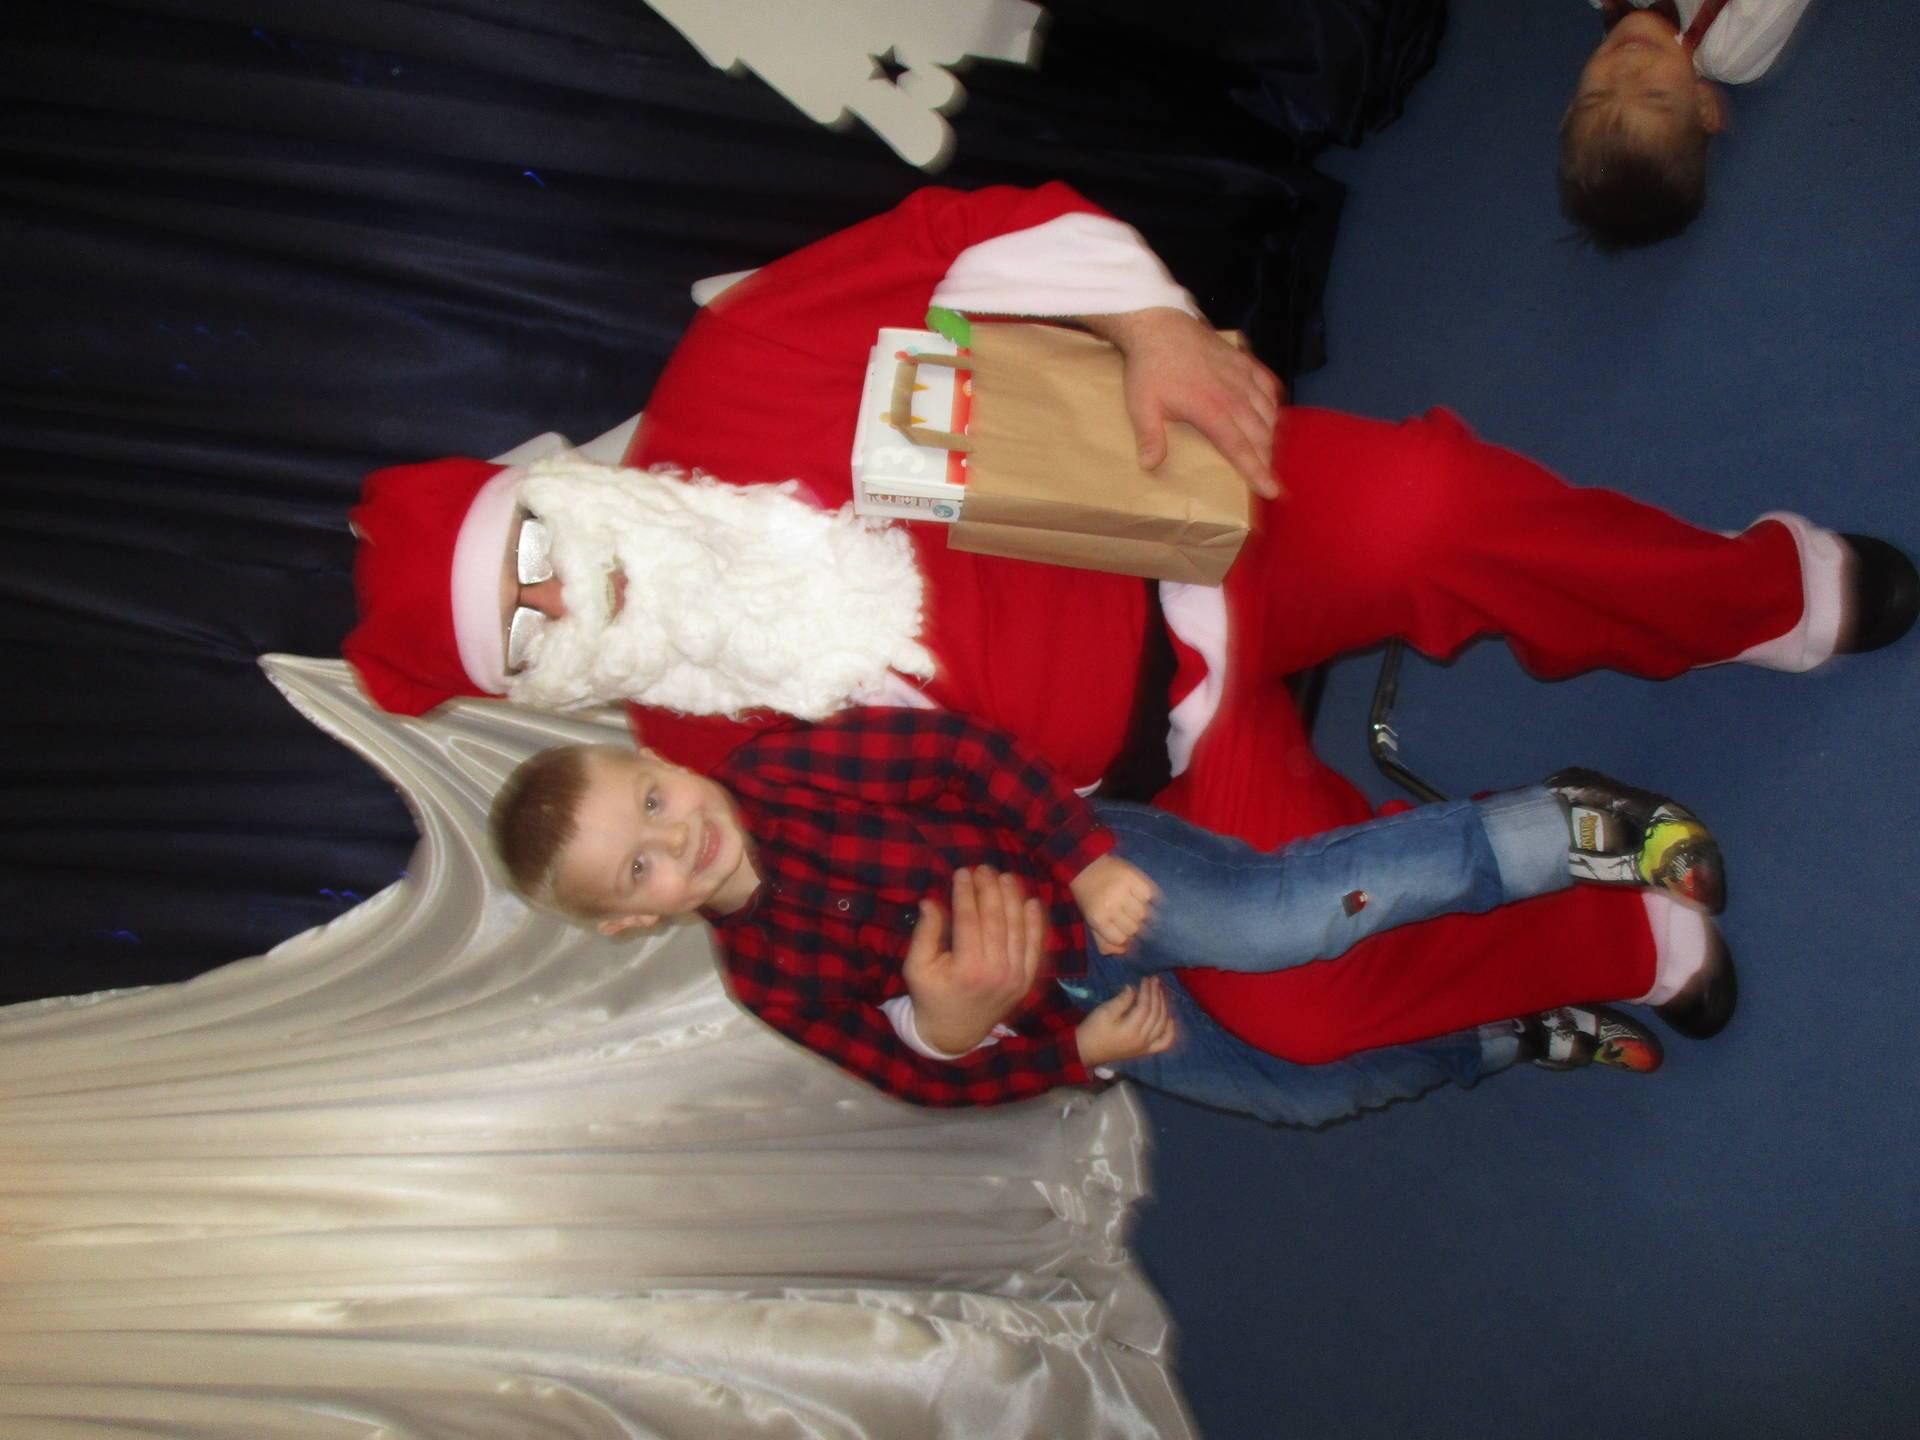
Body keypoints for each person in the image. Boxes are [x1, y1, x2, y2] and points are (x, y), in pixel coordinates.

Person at [346, 181, 1915, 1068]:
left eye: (535, 554)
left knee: (1436, 513)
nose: (571, 597)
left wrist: (1151, 324)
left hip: (1205, 514)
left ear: (554, 489)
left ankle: (1753, 593)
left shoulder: (738, 370)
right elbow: (850, 946)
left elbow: (974, 230)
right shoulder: (681, 764)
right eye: (529, 633)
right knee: (1296, 1004)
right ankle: (1607, 937)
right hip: (1157, 778)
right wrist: (944, 1022)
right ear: (550, 682)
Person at [485, 709, 1730, 1120]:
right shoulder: (765, 980)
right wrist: (1061, 1050)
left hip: (1085, 865)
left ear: (663, 762)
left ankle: (1562, 822)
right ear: (631, 924)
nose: (675, 839)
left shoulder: (779, 770)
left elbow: (966, 754)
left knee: (1280, 924)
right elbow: (916, 1076)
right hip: (1082, 1007)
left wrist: (1080, 862)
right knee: (1297, 1097)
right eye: (638, 869)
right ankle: (1504, 1039)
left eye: (652, 801)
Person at [1561, 0, 1817, 250]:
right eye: (1653, 95)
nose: (1627, 67)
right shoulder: (1728, 48)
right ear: (1702, 104)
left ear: (1571, 109)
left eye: (1598, 95)